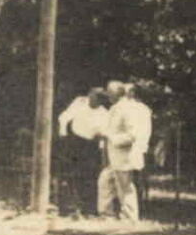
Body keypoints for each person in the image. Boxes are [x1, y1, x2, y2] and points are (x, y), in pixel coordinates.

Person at [98, 81, 152, 222]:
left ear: (117, 94)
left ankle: (129, 218)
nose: (107, 95)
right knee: (105, 181)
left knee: (125, 188)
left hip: (125, 156)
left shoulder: (128, 109)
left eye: (109, 93)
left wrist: (112, 138)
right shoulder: (114, 108)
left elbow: (132, 135)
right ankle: (106, 215)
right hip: (114, 156)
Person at [57, 88, 109, 216]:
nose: (93, 100)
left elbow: (103, 135)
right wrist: (63, 134)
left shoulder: (104, 113)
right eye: (93, 96)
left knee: (89, 176)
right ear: (90, 94)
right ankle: (69, 207)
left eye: (98, 98)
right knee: (71, 174)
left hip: (91, 146)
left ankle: (88, 208)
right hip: (74, 142)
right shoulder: (79, 103)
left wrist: (101, 149)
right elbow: (64, 118)